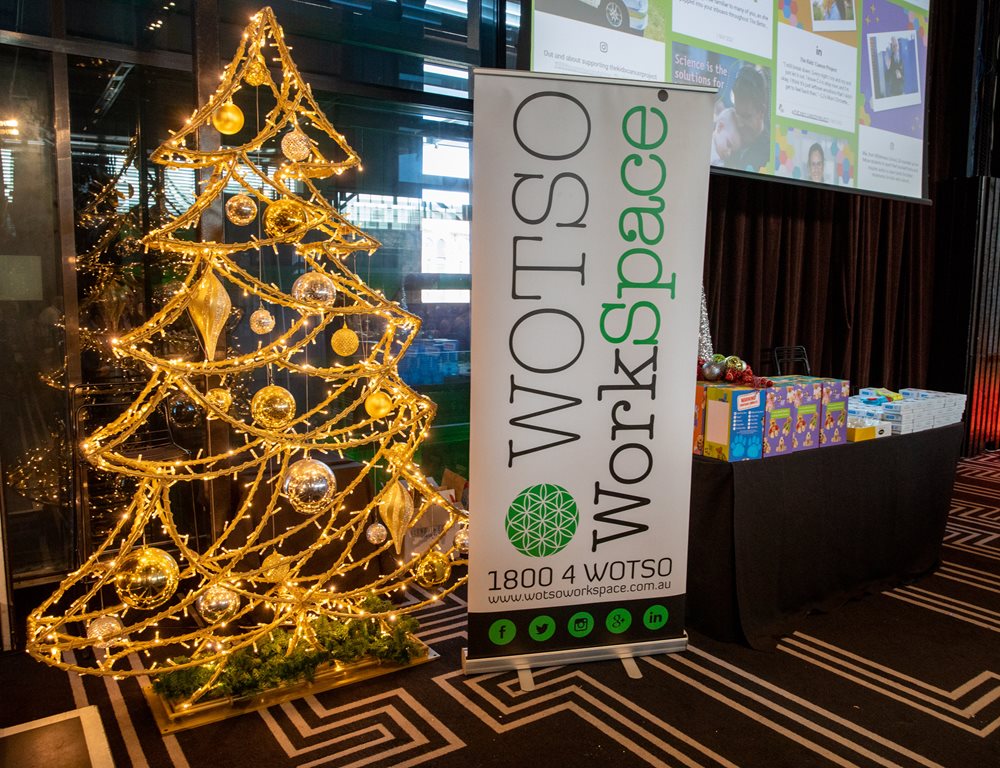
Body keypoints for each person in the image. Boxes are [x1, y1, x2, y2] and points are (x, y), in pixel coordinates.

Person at [728, 64, 769, 171]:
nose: (739, 123)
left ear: (761, 112)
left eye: (746, 116)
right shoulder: (731, 144)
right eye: (737, 114)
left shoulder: (769, 154)